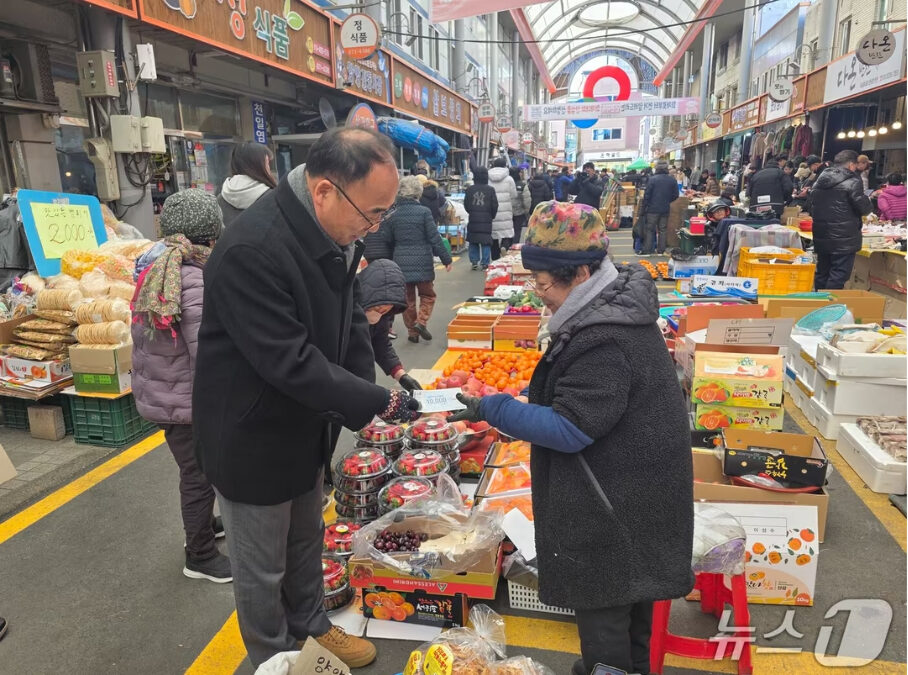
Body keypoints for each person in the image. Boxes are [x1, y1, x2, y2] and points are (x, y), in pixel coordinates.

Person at [193, 127, 421, 669]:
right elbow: (289, 360)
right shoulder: (253, 249)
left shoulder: (333, 232)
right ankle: (276, 659)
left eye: (383, 214)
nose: (374, 226)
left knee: (304, 543)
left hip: (304, 422)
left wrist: (367, 394)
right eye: (372, 213)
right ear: (323, 191)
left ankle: (313, 628)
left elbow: (348, 323)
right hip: (251, 434)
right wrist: (374, 402)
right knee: (262, 569)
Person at [448, 201, 694, 675]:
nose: (540, 296)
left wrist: (494, 407)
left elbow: (570, 428)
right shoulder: (612, 308)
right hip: (633, 497)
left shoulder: (605, 336)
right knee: (631, 618)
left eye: (544, 285)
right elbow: (590, 399)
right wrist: (531, 397)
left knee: (606, 621)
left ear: (580, 273)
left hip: (614, 510)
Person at [132, 189, 230, 584]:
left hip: (165, 392)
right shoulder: (193, 279)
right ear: (211, 235)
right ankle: (199, 555)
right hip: (185, 400)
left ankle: (205, 526)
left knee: (199, 472)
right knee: (198, 476)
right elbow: (207, 352)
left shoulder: (156, 267)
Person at [384, 175, 453, 343]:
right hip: (423, 262)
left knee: (407, 300)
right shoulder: (424, 212)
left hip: (400, 263)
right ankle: (421, 322)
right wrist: (446, 259)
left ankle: (412, 333)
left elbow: (388, 240)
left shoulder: (393, 214)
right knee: (428, 295)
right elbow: (434, 238)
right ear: (418, 192)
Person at [808, 149, 873, 290]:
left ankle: (818, 300)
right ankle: (829, 302)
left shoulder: (819, 180)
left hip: (821, 233)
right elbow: (864, 208)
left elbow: (811, 204)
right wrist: (869, 200)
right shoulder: (852, 181)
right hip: (844, 237)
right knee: (839, 274)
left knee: (822, 272)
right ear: (851, 165)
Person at [358, 259, 421, 392]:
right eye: (377, 308)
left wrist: (400, 374)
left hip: (364, 380)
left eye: (385, 311)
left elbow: (380, 344)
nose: (379, 314)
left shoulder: (384, 316)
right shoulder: (345, 313)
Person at [218, 142, 276, 227]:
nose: (269, 169)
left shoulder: (221, 197)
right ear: (258, 166)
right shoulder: (271, 197)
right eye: (267, 164)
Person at [640, 161, 678, 255]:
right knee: (662, 230)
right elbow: (675, 195)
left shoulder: (652, 179)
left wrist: (644, 207)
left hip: (652, 209)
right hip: (665, 208)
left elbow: (647, 195)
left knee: (650, 229)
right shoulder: (672, 180)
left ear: (657, 169)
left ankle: (647, 250)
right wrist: (667, 201)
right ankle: (661, 250)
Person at [464, 167, 498, 271]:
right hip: (486, 218)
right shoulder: (490, 190)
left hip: (473, 218)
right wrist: (492, 215)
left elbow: (466, 205)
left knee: (473, 240)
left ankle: (474, 261)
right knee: (485, 241)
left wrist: (472, 211)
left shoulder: (470, 189)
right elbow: (494, 205)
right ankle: (485, 263)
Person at [489, 157, 518, 257]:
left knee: (494, 234)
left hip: (492, 210)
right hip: (506, 210)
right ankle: (504, 246)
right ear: (505, 166)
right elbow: (514, 195)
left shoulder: (488, 178)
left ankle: (495, 257)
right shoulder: (509, 179)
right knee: (507, 233)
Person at [510, 166, 532, 244]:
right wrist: (526, 211)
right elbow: (527, 200)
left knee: (507, 231)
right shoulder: (522, 185)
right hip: (519, 212)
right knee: (517, 230)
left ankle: (505, 245)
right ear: (518, 174)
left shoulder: (506, 184)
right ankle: (514, 246)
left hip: (507, 211)